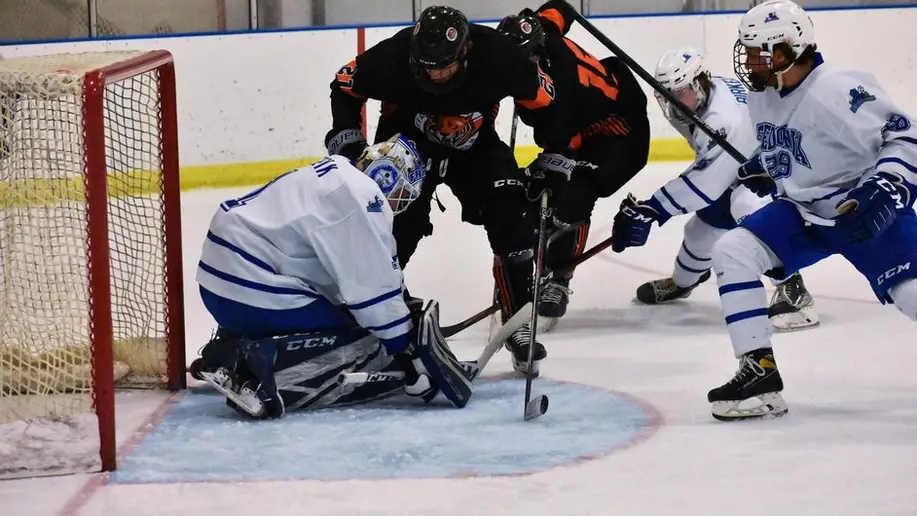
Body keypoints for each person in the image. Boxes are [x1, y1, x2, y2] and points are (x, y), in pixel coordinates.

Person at [326, 5, 573, 375]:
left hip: (476, 147)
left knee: (511, 216)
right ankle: (376, 317)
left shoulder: (500, 56)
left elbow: (546, 101)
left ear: (467, 50)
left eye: (445, 66)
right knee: (391, 230)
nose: (436, 74)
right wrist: (348, 142)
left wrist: (553, 154)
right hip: (407, 145)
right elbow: (344, 86)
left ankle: (519, 322)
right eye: (428, 66)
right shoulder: (393, 55)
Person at [705, 0, 917, 421]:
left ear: (782, 52)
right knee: (733, 251)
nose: (745, 60)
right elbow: (794, 145)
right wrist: (768, 168)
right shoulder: (764, 93)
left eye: (754, 51)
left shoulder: (836, 88)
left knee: (911, 295)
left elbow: (906, 138)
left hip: (861, 210)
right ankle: (758, 372)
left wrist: (889, 185)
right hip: (802, 211)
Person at [191, 134, 473, 419]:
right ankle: (258, 371)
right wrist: (406, 349)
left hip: (221, 287)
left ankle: (224, 351)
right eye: (402, 194)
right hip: (249, 288)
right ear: (391, 180)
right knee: (360, 336)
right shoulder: (363, 198)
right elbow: (372, 295)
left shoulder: (337, 176)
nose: (398, 204)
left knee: (345, 312)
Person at [610, 47, 819, 331]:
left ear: (699, 82)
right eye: (667, 94)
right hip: (741, 167)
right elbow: (712, 171)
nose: (673, 102)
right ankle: (684, 283)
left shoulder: (722, 119)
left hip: (779, 175)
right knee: (700, 232)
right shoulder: (698, 100)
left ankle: (794, 289)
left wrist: (653, 208)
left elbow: (706, 184)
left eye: (679, 92)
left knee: (748, 206)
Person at [497, 1, 650, 329]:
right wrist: (536, 18)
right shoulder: (542, 30)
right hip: (584, 121)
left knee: (570, 195)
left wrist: (545, 176)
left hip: (619, 128)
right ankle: (525, 269)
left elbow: (560, 151)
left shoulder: (559, 95)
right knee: (533, 195)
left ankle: (558, 279)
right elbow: (561, 7)